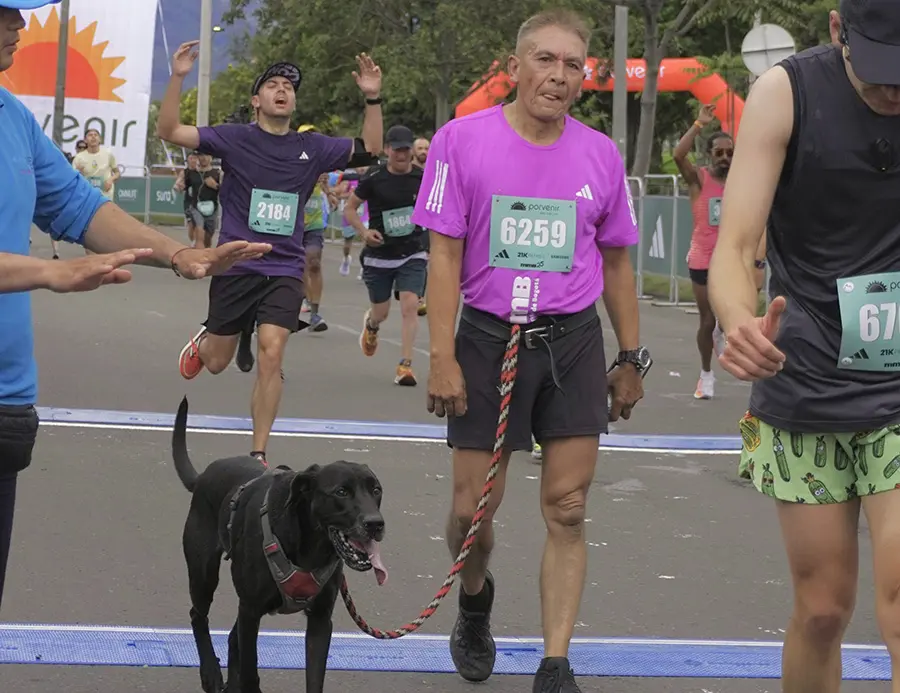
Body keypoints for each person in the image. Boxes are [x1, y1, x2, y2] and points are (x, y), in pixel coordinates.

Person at [0, 0, 271, 610]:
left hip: (6, 403)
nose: (19, 24)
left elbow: (80, 206)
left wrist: (180, 256)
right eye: (3, 12)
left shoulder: (11, 117)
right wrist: (49, 271)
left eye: (19, 11)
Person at [411, 9, 649, 693]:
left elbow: (618, 263)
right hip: (486, 337)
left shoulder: (600, 154)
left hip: (570, 340)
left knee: (568, 507)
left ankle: (555, 662)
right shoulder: (459, 141)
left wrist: (631, 356)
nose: (558, 76)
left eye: (573, 65)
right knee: (471, 513)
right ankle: (475, 593)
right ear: (515, 67)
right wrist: (441, 354)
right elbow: (445, 256)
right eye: (545, 60)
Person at [708, 2, 900, 691]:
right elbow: (737, 243)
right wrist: (737, 316)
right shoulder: (783, 94)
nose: (893, 93)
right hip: (808, 373)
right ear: (838, 30)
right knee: (823, 609)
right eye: (880, 72)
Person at [157, 41, 383, 465]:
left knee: (273, 350)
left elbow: (371, 149)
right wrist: (178, 76)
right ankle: (209, 338)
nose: (283, 90)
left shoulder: (312, 147)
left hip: (284, 265)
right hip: (237, 261)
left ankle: (258, 452)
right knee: (218, 362)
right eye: (273, 85)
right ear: (256, 101)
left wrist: (373, 96)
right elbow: (169, 131)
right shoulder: (236, 139)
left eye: (289, 87)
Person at [673, 106, 767, 400]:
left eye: (730, 153)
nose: (725, 158)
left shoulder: (742, 183)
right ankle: (706, 374)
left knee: (743, 317)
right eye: (720, 153)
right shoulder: (699, 180)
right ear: (710, 154)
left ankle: (750, 371)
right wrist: (699, 123)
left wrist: (758, 258)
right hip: (703, 258)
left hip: (735, 258)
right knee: (707, 320)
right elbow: (678, 154)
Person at [348, 125, 427, 386]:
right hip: (379, 254)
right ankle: (371, 325)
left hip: (412, 252)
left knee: (410, 305)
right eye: (397, 150)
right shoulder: (374, 177)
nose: (402, 155)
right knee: (381, 312)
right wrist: (364, 232)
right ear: (387, 150)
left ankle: (405, 366)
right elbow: (350, 209)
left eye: (407, 149)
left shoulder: (422, 178)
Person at [184, 151, 221, 249]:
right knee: (199, 231)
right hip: (196, 207)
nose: (204, 158)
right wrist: (179, 186)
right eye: (201, 155)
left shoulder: (217, 173)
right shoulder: (191, 173)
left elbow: (225, 190)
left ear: (211, 157)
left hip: (212, 208)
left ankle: (206, 252)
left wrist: (215, 186)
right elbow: (184, 185)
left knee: (208, 239)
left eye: (206, 155)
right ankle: (198, 256)